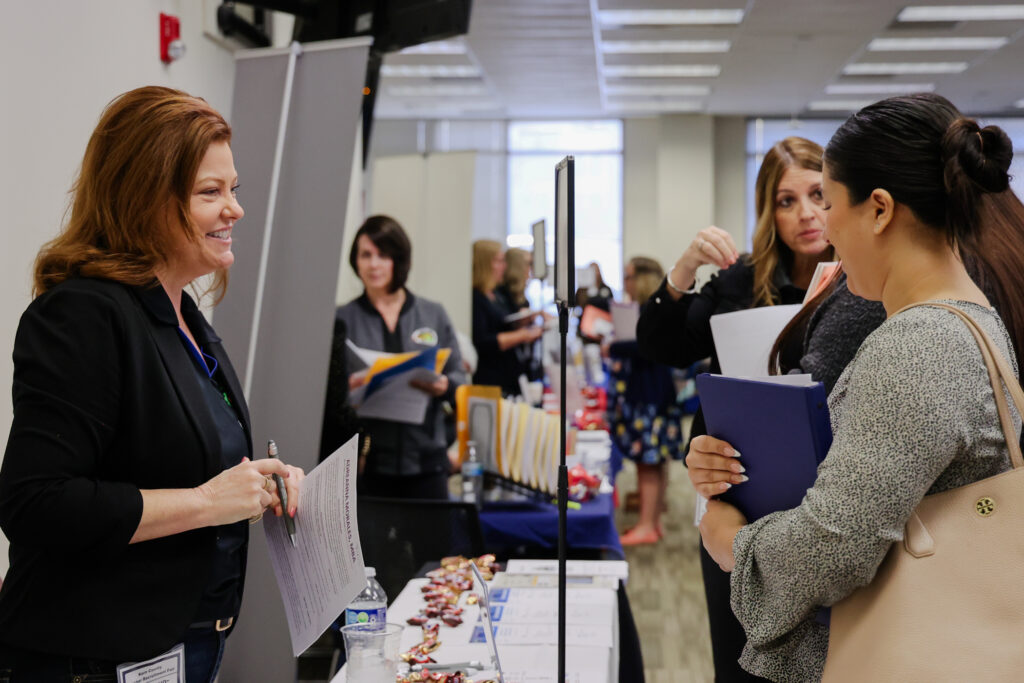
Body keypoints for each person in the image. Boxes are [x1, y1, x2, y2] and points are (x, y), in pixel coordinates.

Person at [691, 93, 1024, 682]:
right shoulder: (969, 318)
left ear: (879, 210)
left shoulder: (918, 346)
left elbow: (833, 545)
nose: (825, 226)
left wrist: (734, 545)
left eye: (828, 200)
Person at [0, 86, 304, 682]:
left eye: (233, 189)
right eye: (210, 192)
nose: (235, 209)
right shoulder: (84, 315)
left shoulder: (181, 315)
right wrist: (207, 503)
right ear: (145, 199)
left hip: (183, 644)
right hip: (89, 657)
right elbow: (36, 502)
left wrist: (254, 486)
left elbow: (177, 461)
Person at [637, 136, 834, 682]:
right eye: (786, 201)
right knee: (739, 655)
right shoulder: (741, 281)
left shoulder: (862, 281)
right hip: (736, 493)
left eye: (818, 194)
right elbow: (661, 344)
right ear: (769, 211)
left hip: (828, 497)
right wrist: (685, 266)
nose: (806, 213)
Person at [330, 215, 465, 500]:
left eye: (383, 255)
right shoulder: (343, 319)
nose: (374, 264)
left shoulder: (432, 314)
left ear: (398, 259)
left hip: (428, 464)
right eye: (366, 255)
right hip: (368, 468)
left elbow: (460, 381)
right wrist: (345, 389)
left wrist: (444, 386)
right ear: (356, 261)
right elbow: (326, 395)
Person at [608, 257, 686, 546]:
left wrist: (613, 346)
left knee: (648, 463)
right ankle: (652, 521)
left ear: (642, 278)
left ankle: (647, 525)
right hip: (657, 394)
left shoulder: (651, 311)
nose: (625, 283)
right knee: (655, 462)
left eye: (628, 276)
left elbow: (645, 347)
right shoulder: (658, 309)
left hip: (649, 396)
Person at [472, 239, 543, 396]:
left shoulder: (497, 295)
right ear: (484, 264)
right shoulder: (476, 298)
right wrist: (522, 335)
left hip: (509, 375)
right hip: (490, 379)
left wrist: (523, 322)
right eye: (498, 261)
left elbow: (504, 324)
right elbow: (482, 341)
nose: (504, 266)